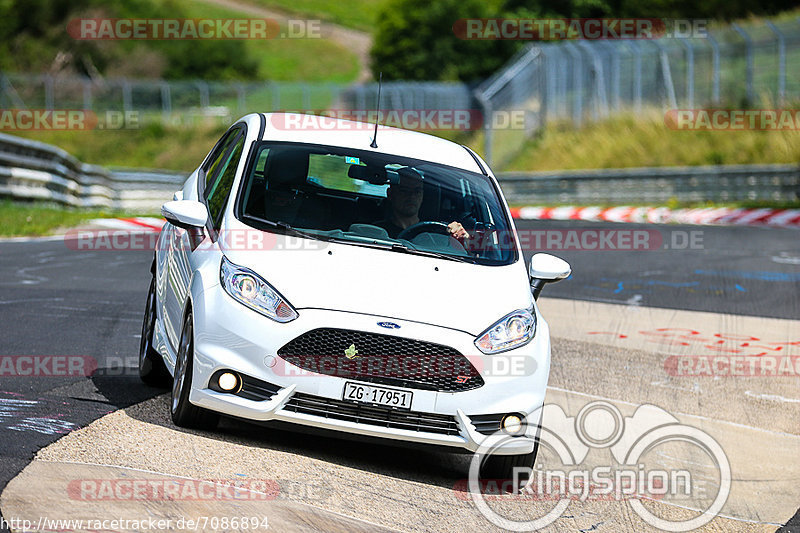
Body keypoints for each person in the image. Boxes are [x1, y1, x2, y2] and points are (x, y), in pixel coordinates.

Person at [373, 168, 470, 241]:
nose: (411, 196)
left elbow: (468, 256)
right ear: (390, 194)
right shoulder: (375, 233)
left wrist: (463, 238)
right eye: (404, 191)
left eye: (417, 191)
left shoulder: (439, 232)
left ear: (423, 195)